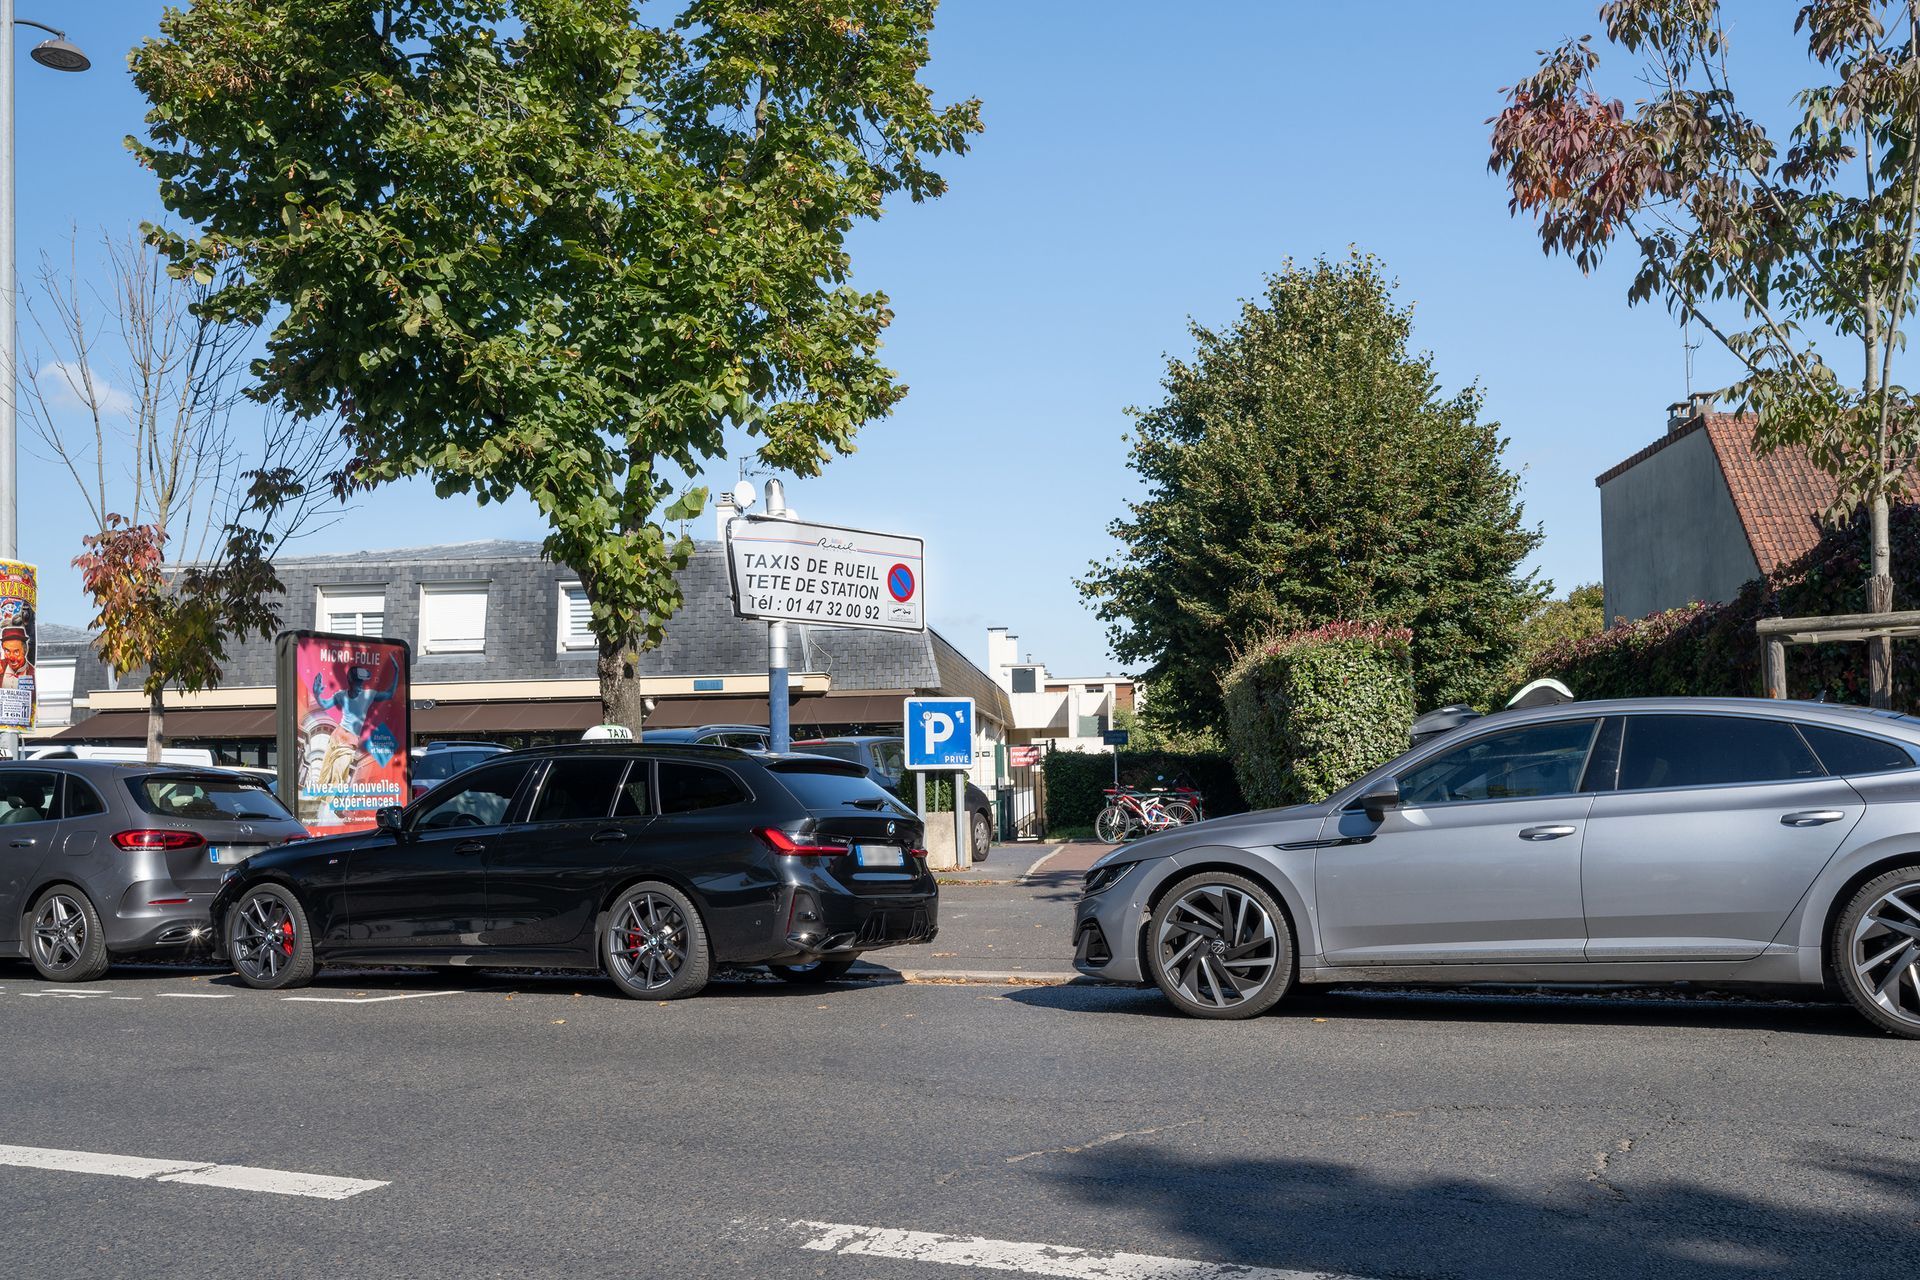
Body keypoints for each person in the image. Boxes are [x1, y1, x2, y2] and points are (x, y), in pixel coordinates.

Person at [311, 655, 399, 745]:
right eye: (358, 681)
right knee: (326, 760)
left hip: (351, 740)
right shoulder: (341, 695)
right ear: (351, 681)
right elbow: (325, 704)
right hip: (337, 735)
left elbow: (389, 694)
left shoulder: (368, 695)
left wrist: (396, 671)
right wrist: (316, 695)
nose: (361, 684)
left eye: (362, 681)